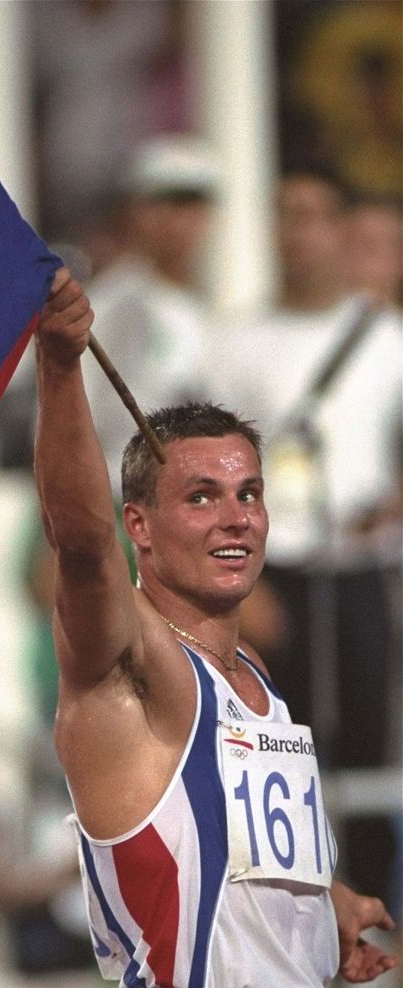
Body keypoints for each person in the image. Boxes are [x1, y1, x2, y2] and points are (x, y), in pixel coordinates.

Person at [32, 266, 398, 988]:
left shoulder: (255, 677)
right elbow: (78, 543)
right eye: (200, 496)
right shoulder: (132, 664)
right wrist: (62, 367)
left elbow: (234, 842)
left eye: (249, 494)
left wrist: (316, 903)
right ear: (140, 526)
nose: (236, 517)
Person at [206, 167, 402, 905]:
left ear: (341, 230)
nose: (299, 231)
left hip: (360, 571)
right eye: (285, 214)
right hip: (265, 576)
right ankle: (280, 917)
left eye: (315, 215)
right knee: (271, 753)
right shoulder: (235, 341)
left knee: (369, 753)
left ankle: (374, 921)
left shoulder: (385, 339)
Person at [83, 133, 219, 496]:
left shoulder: (214, 303)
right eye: (163, 203)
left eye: (191, 205)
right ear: (134, 212)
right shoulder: (115, 304)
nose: (178, 220)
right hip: (123, 497)